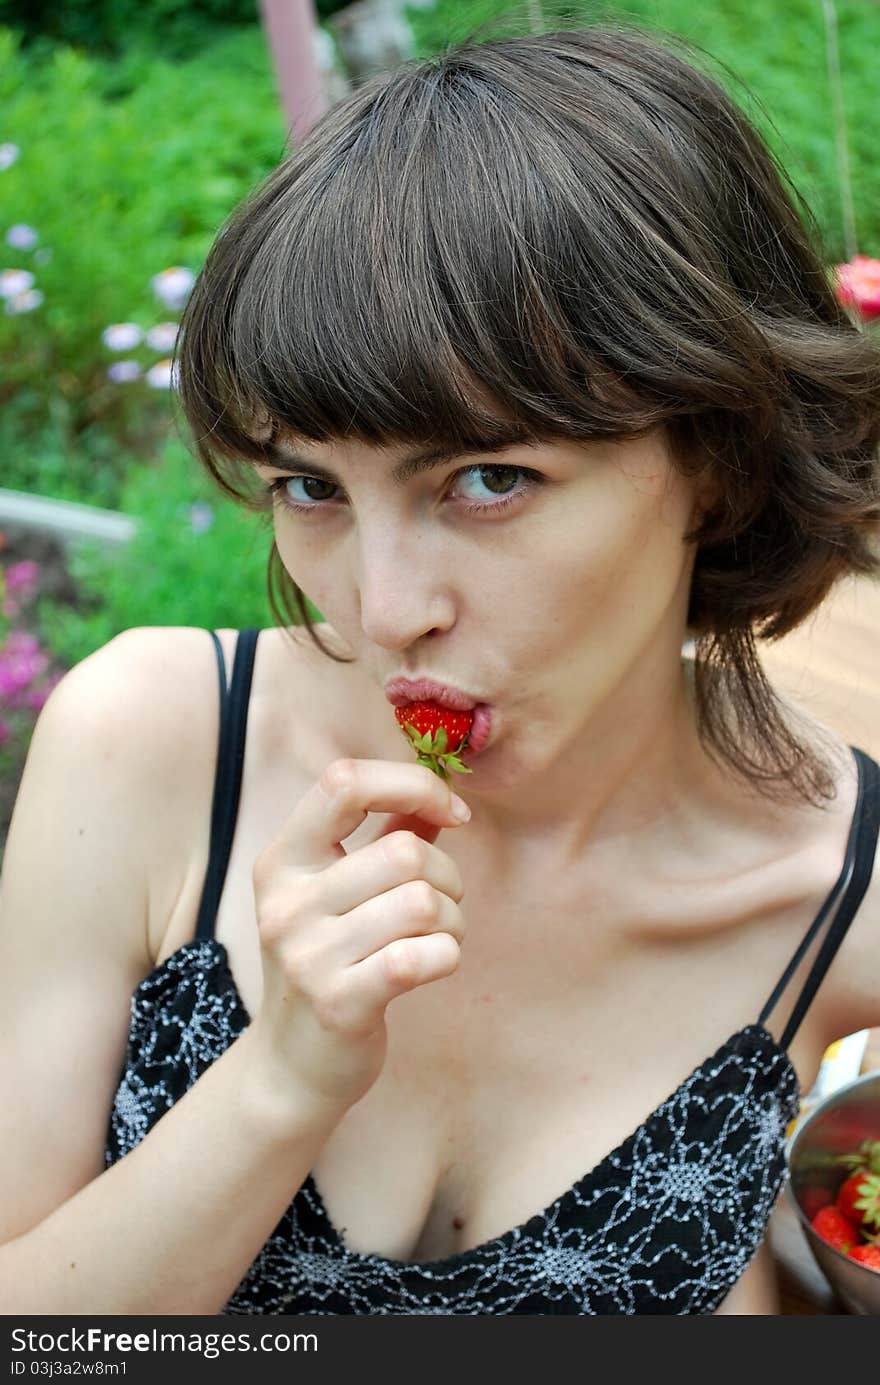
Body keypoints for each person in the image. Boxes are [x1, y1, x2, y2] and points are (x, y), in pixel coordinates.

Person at [1, 19, 879, 1317]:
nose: (382, 607)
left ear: (719, 460)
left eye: (487, 479)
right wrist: (279, 1083)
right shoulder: (156, 744)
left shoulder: (839, 907)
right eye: (309, 484)